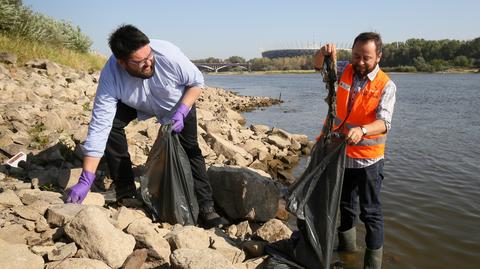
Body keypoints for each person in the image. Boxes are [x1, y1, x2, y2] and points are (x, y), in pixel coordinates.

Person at [66, 24, 229, 229]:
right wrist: (85, 178)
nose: (148, 63)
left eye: (149, 56)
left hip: (177, 104)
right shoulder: (111, 76)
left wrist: (182, 112)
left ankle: (206, 207)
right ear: (122, 63)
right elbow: (100, 124)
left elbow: (196, 82)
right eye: (140, 61)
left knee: (190, 149)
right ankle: (125, 189)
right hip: (137, 102)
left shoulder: (168, 55)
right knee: (111, 127)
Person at [314, 32, 396, 269]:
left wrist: (363, 129)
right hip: (341, 156)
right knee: (345, 206)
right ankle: (348, 251)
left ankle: (372, 264)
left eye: (366, 58)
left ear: (378, 57)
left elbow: (384, 123)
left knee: (371, 213)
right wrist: (322, 52)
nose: (360, 62)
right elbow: (317, 65)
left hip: (369, 162)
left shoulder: (386, 85)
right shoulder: (343, 70)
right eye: (356, 55)